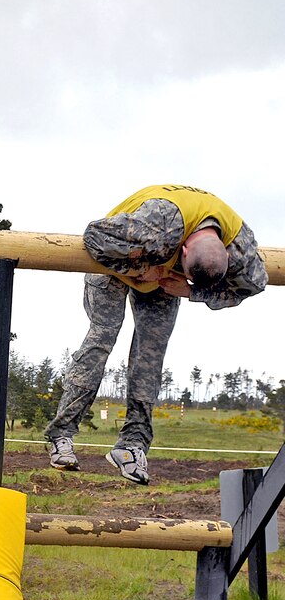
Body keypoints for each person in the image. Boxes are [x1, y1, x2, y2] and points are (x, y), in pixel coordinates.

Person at [44, 184, 267, 485]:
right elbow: (94, 236)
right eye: (186, 268)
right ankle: (61, 435)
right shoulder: (159, 222)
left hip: (165, 281)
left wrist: (189, 290)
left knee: (150, 357)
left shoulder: (240, 246)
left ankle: (132, 447)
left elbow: (254, 284)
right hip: (117, 262)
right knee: (102, 338)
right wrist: (142, 268)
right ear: (183, 249)